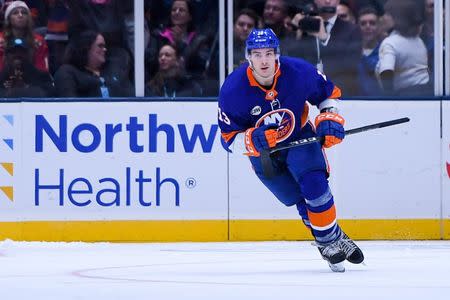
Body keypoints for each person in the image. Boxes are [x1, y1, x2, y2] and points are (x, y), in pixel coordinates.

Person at [218, 28, 364, 272]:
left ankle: (327, 243)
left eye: (268, 53)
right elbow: (227, 138)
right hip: (264, 156)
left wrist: (328, 117)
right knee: (298, 199)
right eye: (257, 54)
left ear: (277, 54)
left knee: (314, 185)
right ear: (248, 57)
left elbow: (328, 94)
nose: (263, 60)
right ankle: (334, 235)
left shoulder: (298, 71)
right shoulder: (233, 89)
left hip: (299, 137)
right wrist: (252, 138)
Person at [289, 0, 362, 96]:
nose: (327, 1)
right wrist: (295, 31)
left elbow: (350, 66)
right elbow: (290, 62)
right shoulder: (304, 27)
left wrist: (324, 39)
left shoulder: (352, 30)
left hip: (341, 94)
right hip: (307, 93)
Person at [54, 30, 133, 98]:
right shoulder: (67, 73)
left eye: (105, 46)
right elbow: (68, 104)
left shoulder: (112, 71)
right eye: (100, 46)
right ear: (86, 48)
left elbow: (129, 95)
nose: (105, 49)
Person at [375, 0, 430, 96]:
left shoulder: (390, 43)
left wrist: (389, 97)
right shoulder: (418, 41)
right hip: (427, 92)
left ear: (398, 18)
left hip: (405, 96)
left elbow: (386, 71)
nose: (383, 18)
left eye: (388, 14)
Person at [0, 0, 49, 72]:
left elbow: (42, 72)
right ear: (9, 19)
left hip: (32, 79)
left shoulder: (39, 40)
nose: (20, 15)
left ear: (28, 18)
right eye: (15, 13)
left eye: (24, 13)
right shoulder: (1, 39)